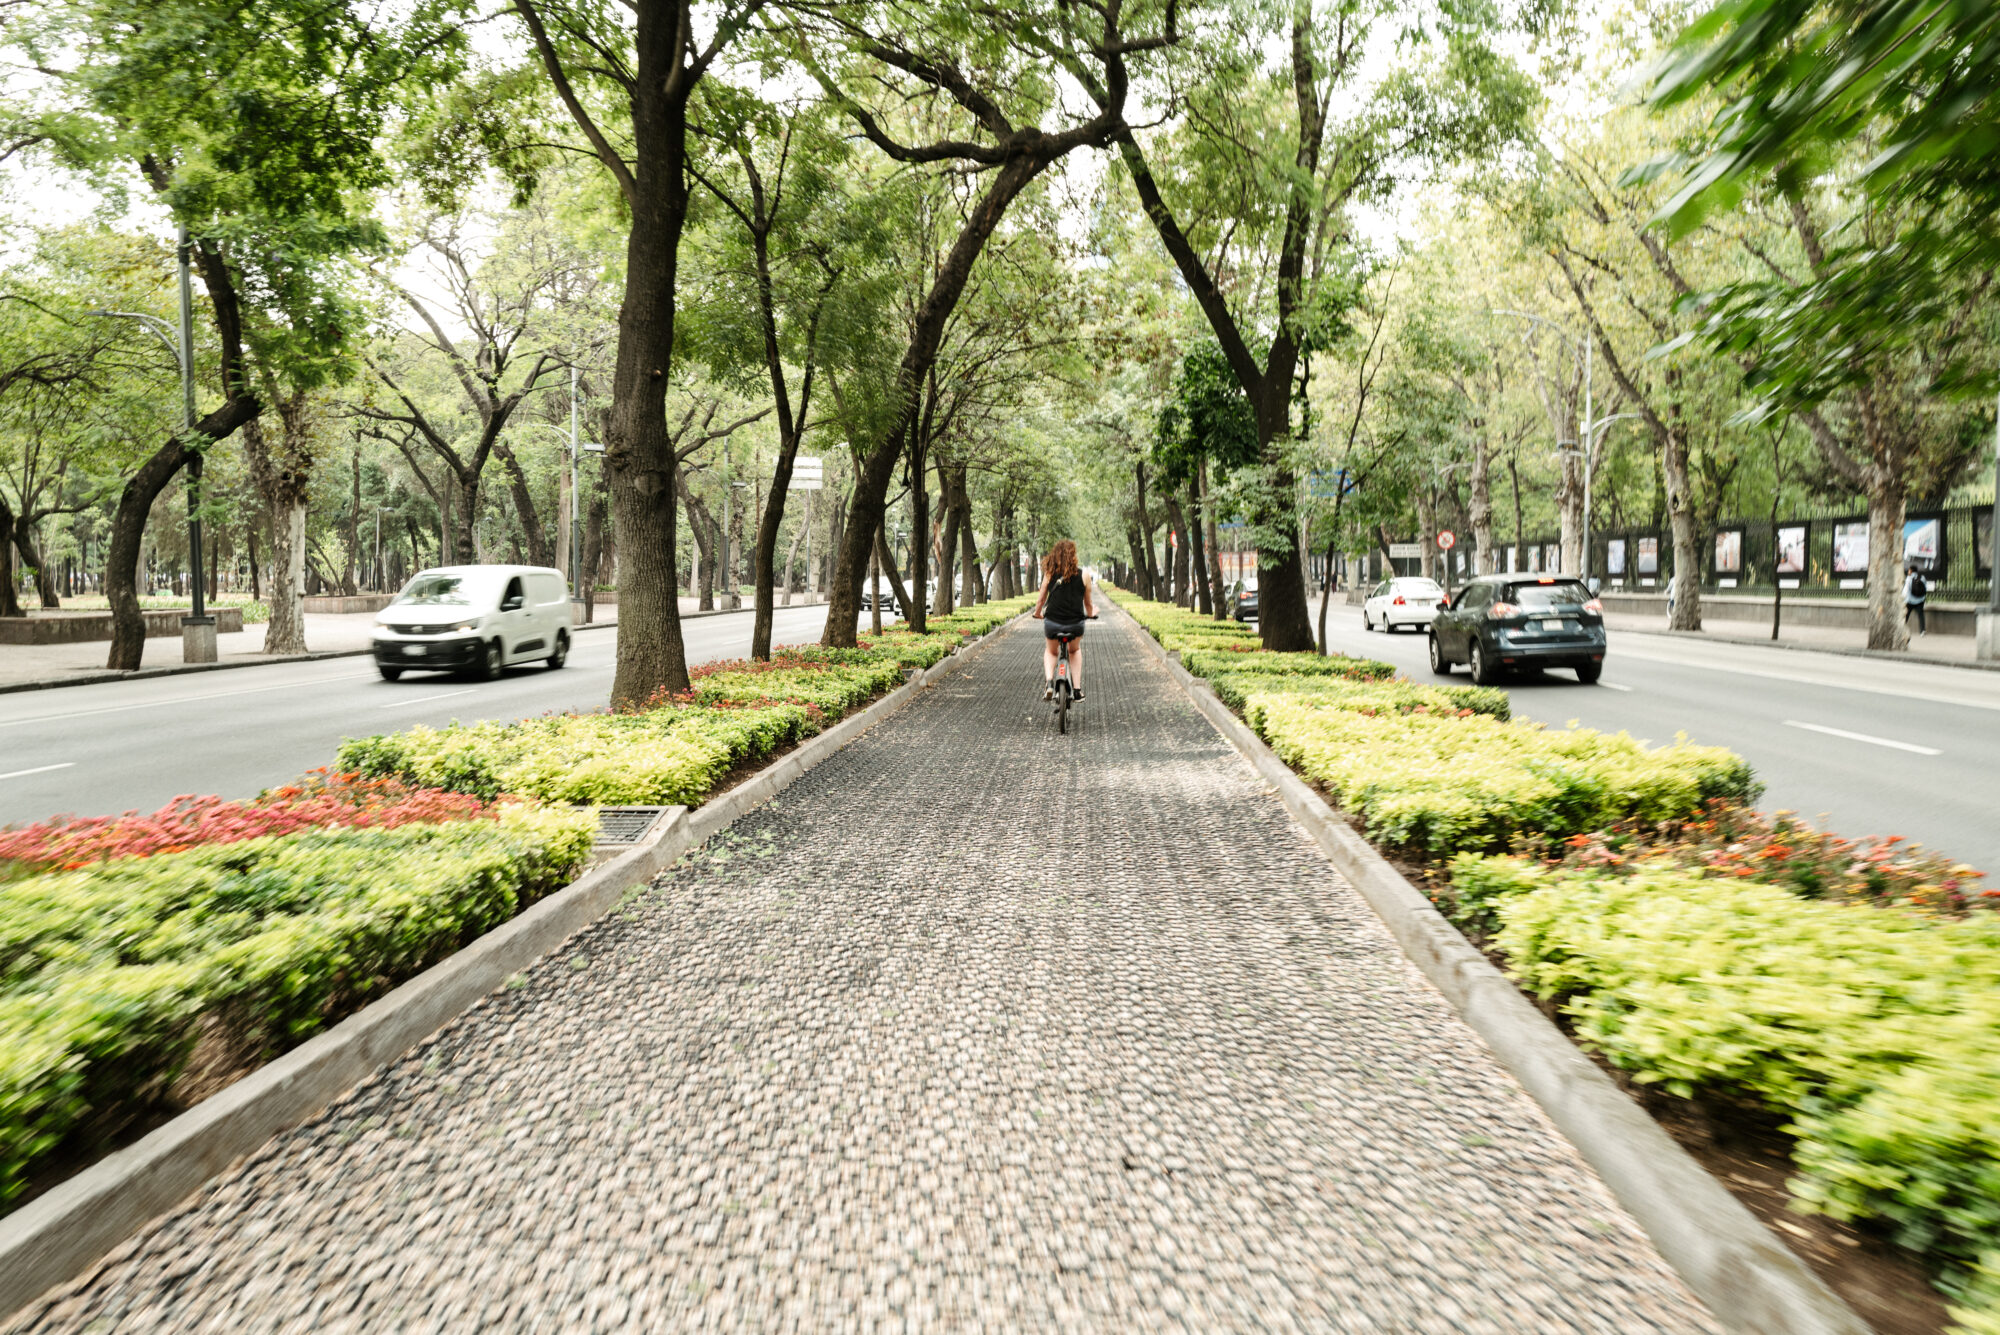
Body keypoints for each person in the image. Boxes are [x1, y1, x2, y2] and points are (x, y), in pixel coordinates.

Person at [1033, 538, 1094, 700]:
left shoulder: (1049, 574)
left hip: (1053, 623)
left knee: (1051, 652)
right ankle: (1077, 690)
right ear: (1074, 556)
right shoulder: (1085, 575)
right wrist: (1091, 614)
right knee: (1074, 651)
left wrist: (1037, 613)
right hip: (1075, 625)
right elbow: (1088, 604)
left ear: (1055, 555)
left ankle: (1050, 683)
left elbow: (1041, 599)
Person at [1905, 564, 1929, 635]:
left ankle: (1901, 627)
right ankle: (1922, 630)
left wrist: (1905, 599)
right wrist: (1923, 597)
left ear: (1911, 571)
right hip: (1920, 600)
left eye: (1909, 570)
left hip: (1910, 600)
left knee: (1906, 614)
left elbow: (1906, 590)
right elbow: (1925, 587)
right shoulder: (1922, 577)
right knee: (1921, 615)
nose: (1908, 571)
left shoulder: (1909, 578)